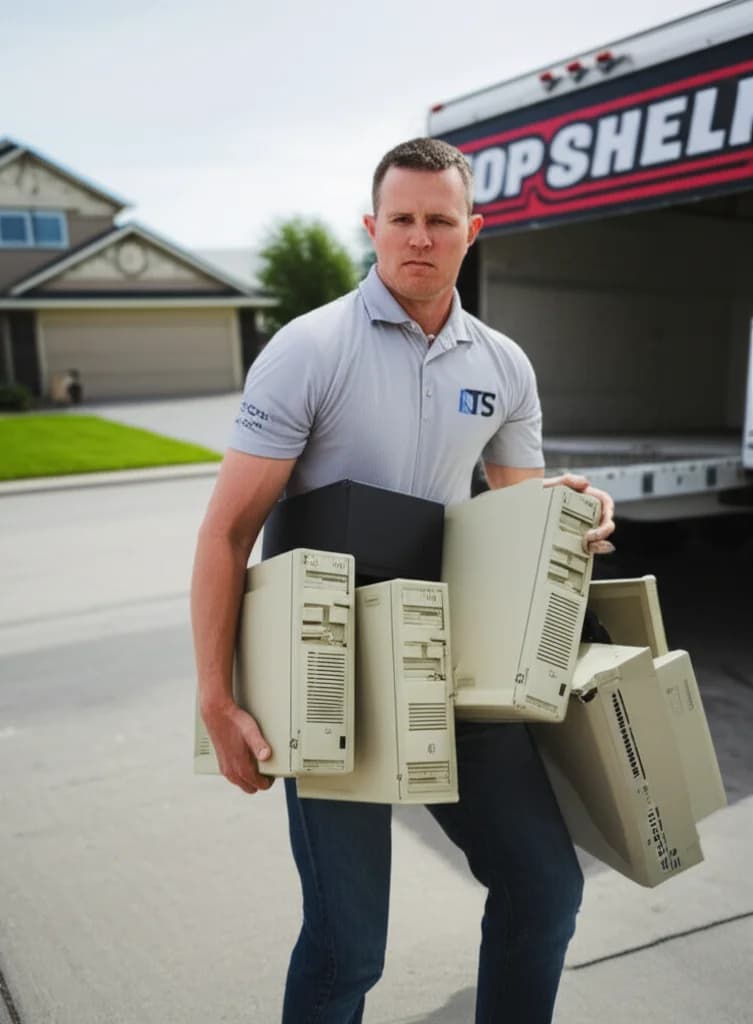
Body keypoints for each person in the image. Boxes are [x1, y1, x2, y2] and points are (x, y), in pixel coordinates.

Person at [190, 137, 616, 1024]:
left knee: (544, 892)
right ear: (371, 227)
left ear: (474, 231)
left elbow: (516, 519)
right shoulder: (310, 349)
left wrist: (576, 516)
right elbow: (227, 532)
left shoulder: (502, 365)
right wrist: (216, 698)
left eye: (439, 220)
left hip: (450, 656)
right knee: (348, 951)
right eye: (401, 220)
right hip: (327, 668)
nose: (418, 238)